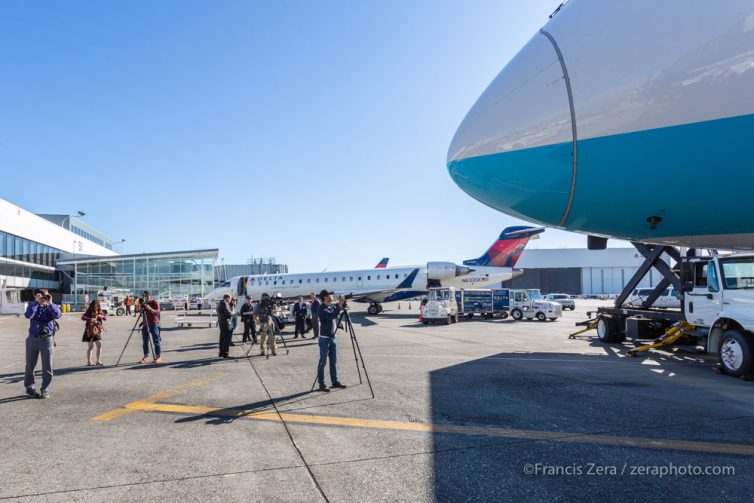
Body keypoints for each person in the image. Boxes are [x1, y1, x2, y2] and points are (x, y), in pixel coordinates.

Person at [24, 289, 62, 399]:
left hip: (47, 339)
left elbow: (58, 315)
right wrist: (36, 303)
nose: (43, 298)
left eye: (46, 295)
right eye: (41, 296)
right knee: (30, 365)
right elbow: (28, 315)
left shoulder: (50, 306)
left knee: (47, 366)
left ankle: (44, 389)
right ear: (35, 296)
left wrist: (50, 303)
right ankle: (30, 388)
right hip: (33, 339)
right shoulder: (33, 306)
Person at [315, 290, 347, 392]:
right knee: (322, 362)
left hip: (333, 338)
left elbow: (336, 311)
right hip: (325, 339)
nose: (332, 296)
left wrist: (342, 303)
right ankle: (321, 384)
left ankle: (335, 382)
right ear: (325, 297)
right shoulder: (321, 308)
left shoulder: (331, 306)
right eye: (330, 295)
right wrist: (339, 305)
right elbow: (331, 316)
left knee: (333, 361)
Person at [139, 291, 163, 364]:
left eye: (146, 296)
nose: (145, 297)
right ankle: (146, 356)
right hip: (145, 324)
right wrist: (139, 304)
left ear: (150, 295)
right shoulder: (144, 303)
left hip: (154, 323)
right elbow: (139, 312)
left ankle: (158, 357)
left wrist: (149, 308)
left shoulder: (155, 302)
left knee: (156, 341)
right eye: (144, 296)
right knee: (145, 342)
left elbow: (157, 313)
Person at [82, 300, 107, 366]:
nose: (96, 307)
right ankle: (89, 362)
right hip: (89, 330)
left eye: (97, 306)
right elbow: (83, 317)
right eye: (95, 306)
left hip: (97, 330)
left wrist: (102, 317)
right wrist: (90, 319)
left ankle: (98, 361)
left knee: (99, 343)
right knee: (91, 346)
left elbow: (105, 318)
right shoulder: (89, 311)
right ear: (92, 306)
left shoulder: (99, 311)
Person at [216, 294, 234, 358]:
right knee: (227, 339)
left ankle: (221, 353)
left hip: (221, 323)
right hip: (226, 323)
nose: (230, 300)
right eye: (230, 299)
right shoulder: (224, 304)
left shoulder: (220, 303)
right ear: (227, 298)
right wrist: (233, 313)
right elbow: (229, 313)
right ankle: (226, 354)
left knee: (222, 339)